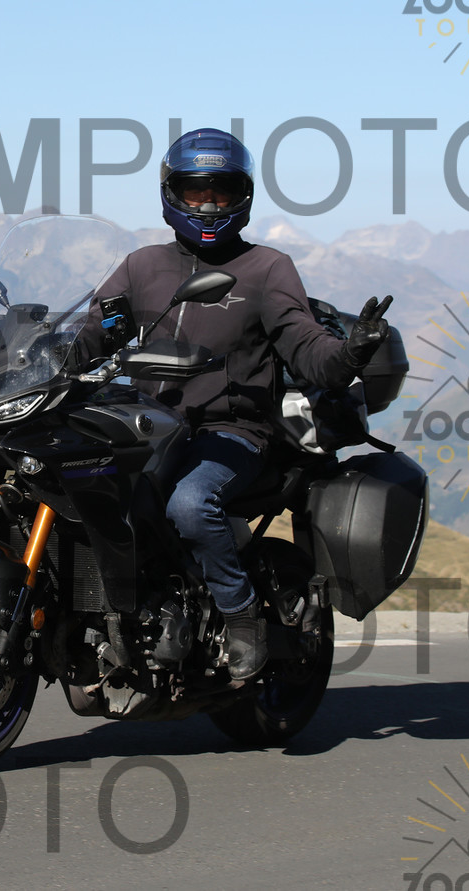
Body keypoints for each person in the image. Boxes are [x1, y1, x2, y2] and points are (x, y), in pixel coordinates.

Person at [78, 127, 392, 679]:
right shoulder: (141, 266)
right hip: (146, 427)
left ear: (242, 196)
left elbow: (306, 348)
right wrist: (25, 352)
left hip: (232, 432)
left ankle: (240, 613)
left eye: (221, 192)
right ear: (171, 193)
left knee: (189, 504)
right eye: (195, 191)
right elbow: (93, 333)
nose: (208, 206)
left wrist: (350, 354)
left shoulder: (266, 268)